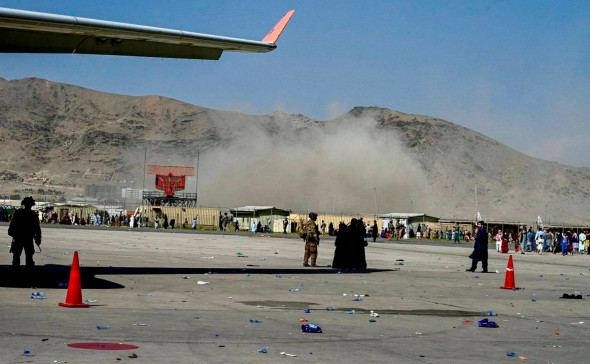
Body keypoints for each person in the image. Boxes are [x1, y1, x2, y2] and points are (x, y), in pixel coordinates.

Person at [8, 197, 42, 268]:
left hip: (18, 238)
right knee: (29, 257)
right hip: (28, 238)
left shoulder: (18, 213)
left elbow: (12, 225)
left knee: (16, 257)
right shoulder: (33, 215)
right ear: (31, 205)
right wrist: (38, 239)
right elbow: (37, 229)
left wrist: (12, 233)